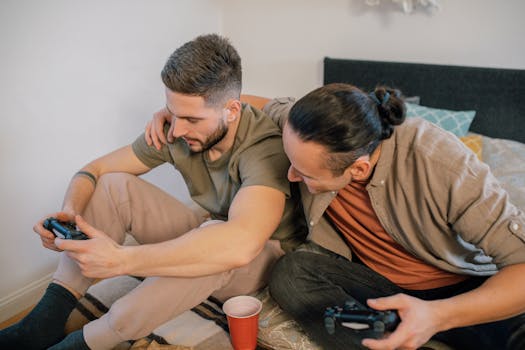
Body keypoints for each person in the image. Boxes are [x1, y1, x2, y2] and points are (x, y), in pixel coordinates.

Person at [145, 83, 525, 350]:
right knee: (291, 273)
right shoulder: (309, 126)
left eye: (304, 173)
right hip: (380, 283)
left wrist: (438, 315)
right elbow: (242, 104)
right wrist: (190, 114)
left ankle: (420, 326)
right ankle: (392, 335)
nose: (290, 176)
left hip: (460, 289)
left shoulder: (446, 167)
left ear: (357, 170)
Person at [0, 33, 306, 350]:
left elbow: (241, 245)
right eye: (172, 112)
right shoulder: (175, 129)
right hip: (216, 235)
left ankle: (85, 343)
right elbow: (94, 170)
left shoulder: (264, 149)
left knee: (216, 238)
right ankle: (42, 323)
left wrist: (123, 260)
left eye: (191, 119)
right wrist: (70, 212)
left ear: (231, 110)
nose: (177, 130)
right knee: (115, 185)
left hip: (261, 266)